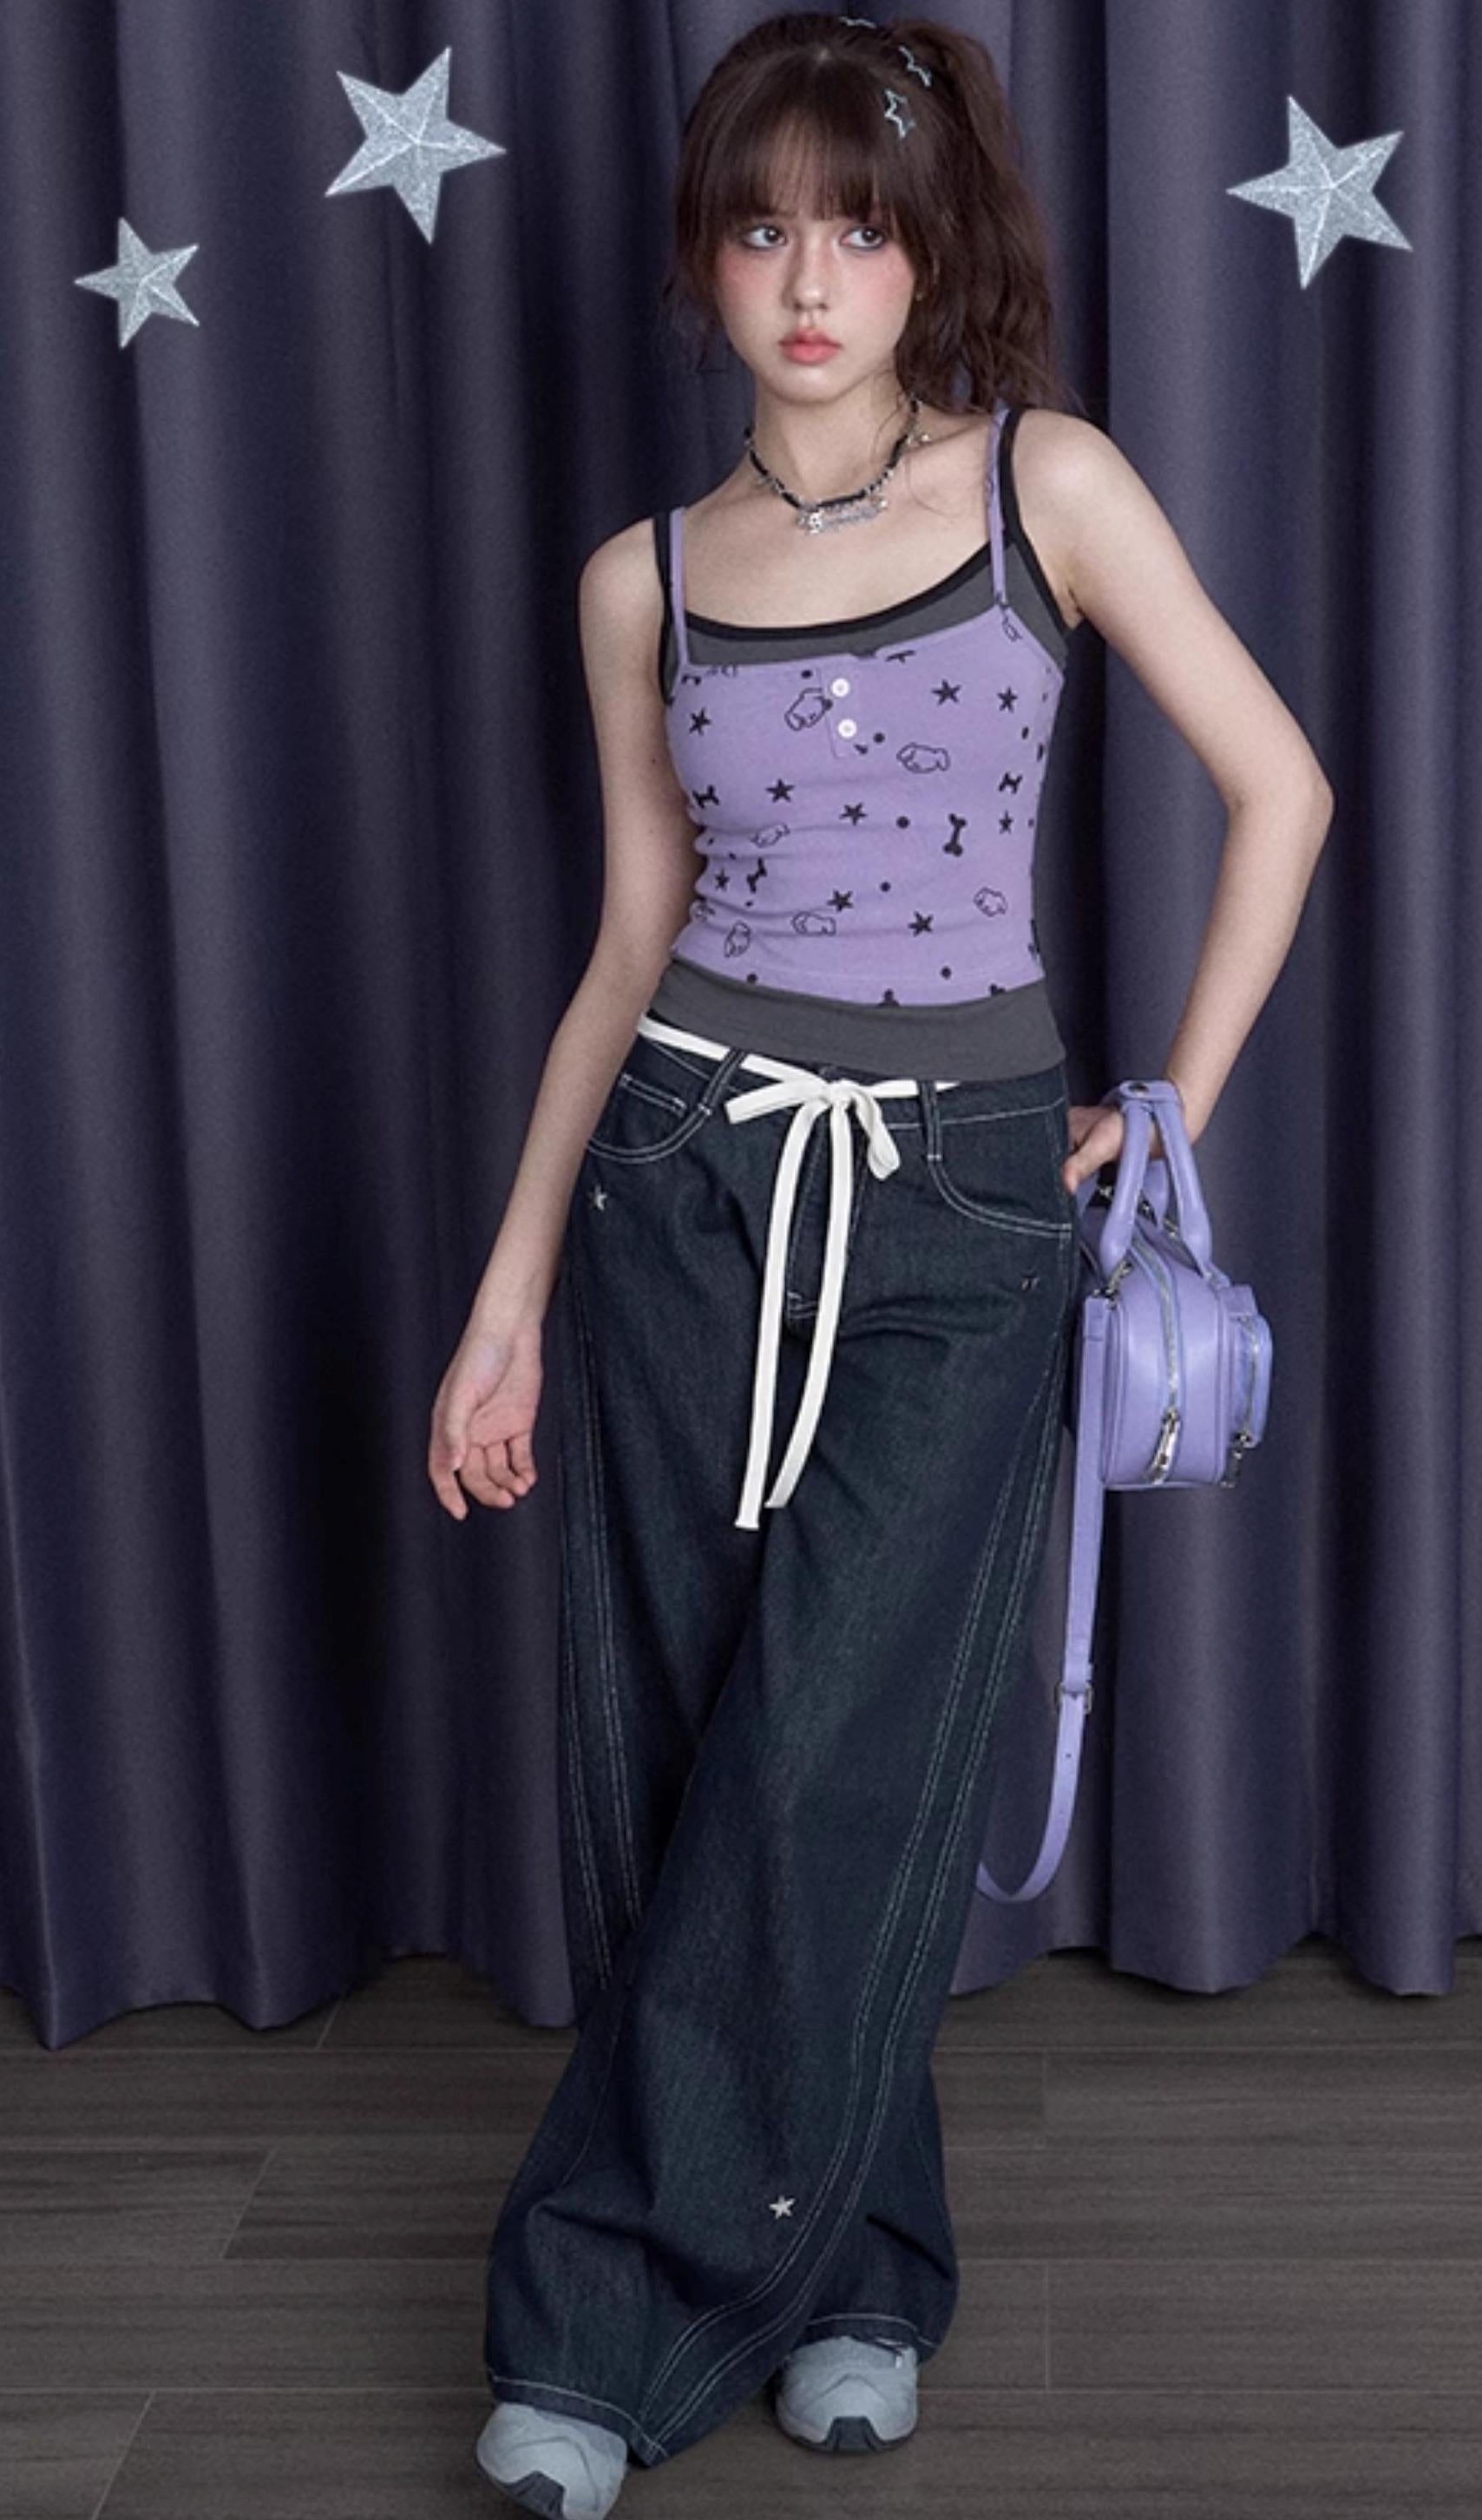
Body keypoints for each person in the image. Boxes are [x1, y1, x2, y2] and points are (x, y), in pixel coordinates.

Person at [429, 13, 1332, 2512]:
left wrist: (1162, 1117)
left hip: (955, 1202)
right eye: (761, 228)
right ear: (706, 262)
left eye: (857, 226)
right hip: (678, 1184)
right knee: (680, 1746)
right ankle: (853, 2273)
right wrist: (507, 1299)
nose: (809, 280)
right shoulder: (640, 582)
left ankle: (591, 2320)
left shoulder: (1054, 483)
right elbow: (626, 949)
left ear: (933, 250)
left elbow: (1282, 791)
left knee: (833, 1756)